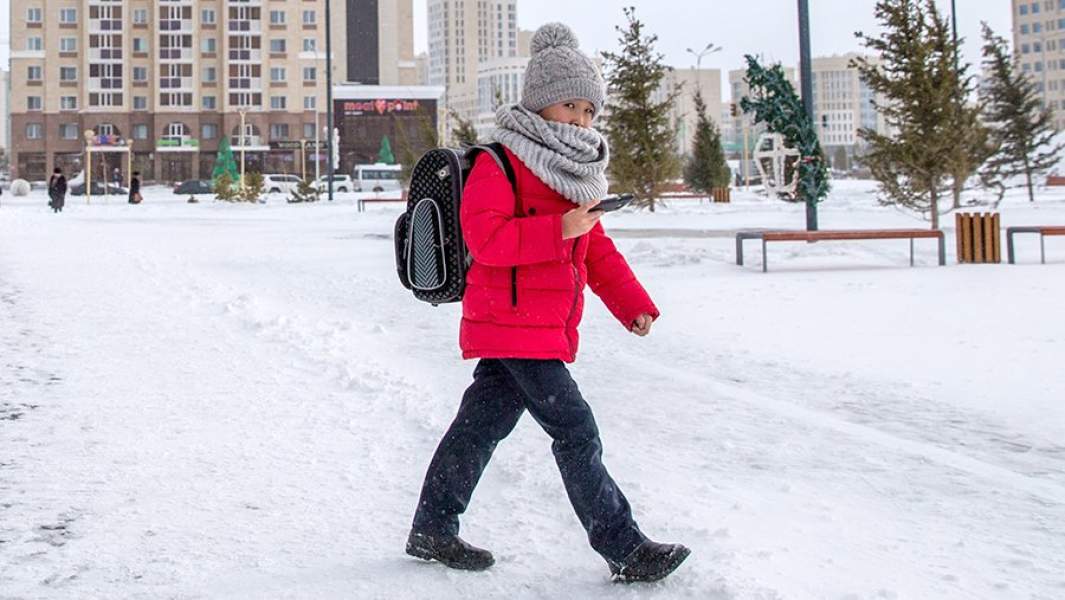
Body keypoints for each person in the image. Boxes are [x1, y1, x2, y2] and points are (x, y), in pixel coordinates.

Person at [406, 23, 690, 583]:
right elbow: (487, 241)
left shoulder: (573, 175)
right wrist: (558, 229)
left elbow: (597, 248)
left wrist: (634, 304)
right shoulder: (499, 163)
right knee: (576, 429)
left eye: (589, 110)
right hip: (513, 323)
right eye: (569, 106)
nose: (581, 120)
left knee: (478, 427)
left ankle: (433, 527)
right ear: (539, 103)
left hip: (537, 325)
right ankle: (624, 547)